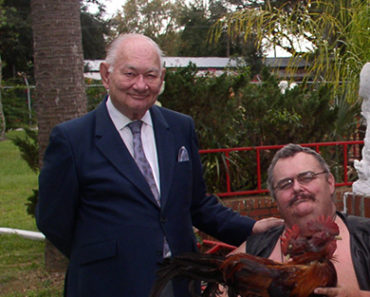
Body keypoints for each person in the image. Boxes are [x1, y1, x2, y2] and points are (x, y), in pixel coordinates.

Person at [36, 33, 282, 297]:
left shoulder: (179, 128)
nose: (141, 85)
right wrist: (101, 255)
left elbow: (196, 202)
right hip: (107, 284)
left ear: (161, 78)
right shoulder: (72, 139)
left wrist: (251, 228)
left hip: (177, 280)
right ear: (106, 75)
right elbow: (53, 220)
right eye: (130, 74)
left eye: (150, 76)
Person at [231, 144, 370, 297]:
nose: (297, 188)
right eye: (285, 184)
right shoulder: (255, 249)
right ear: (275, 200)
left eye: (307, 177)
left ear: (330, 183)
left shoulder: (365, 237)